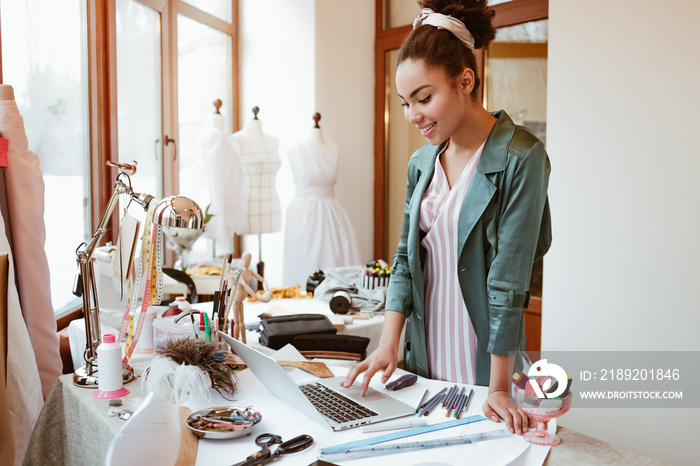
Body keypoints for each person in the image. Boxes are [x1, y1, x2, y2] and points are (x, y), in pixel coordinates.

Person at [342, 0, 552, 437]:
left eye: (424, 98)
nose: (413, 115)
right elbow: (404, 259)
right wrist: (387, 345)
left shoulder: (521, 156)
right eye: (404, 102)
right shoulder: (422, 163)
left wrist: (498, 387)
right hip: (425, 360)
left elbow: (509, 280)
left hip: (485, 361)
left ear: (465, 80)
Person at [282, 116, 361, 287]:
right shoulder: (295, 148)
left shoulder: (334, 150)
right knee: (301, 266)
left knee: (333, 264)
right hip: (302, 216)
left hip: (330, 215)